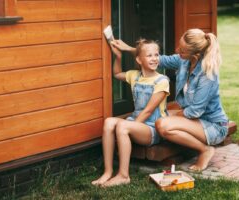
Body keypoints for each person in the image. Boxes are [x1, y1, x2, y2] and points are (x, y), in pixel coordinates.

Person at [112, 28, 229, 171]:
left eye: (182, 50)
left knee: (163, 124)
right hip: (194, 119)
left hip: (213, 125)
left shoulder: (207, 75)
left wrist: (174, 116)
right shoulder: (183, 61)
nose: (177, 50)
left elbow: (195, 111)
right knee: (163, 119)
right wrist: (128, 49)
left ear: (195, 55)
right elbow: (157, 59)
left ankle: (205, 150)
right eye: (179, 46)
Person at [91, 39, 170, 187]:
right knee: (109, 121)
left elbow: (148, 111)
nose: (154, 58)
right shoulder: (134, 75)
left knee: (123, 126)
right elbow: (117, 74)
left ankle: (123, 175)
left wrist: (129, 126)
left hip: (152, 128)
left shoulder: (162, 80)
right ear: (139, 59)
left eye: (157, 55)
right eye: (149, 55)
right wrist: (118, 57)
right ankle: (108, 172)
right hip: (136, 122)